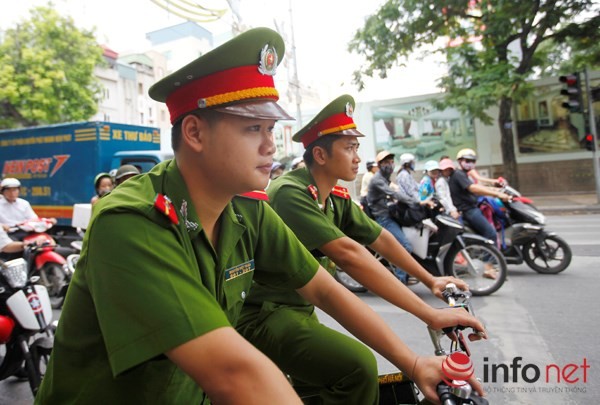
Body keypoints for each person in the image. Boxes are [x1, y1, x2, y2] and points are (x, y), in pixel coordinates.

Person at [35, 28, 484, 405]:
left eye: (271, 129)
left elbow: (325, 290)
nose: (271, 145)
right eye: (253, 128)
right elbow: (235, 372)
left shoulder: (246, 208)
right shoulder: (131, 221)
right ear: (194, 132)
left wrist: (414, 360)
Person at [238, 95, 486, 404]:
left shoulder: (334, 196)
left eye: (356, 147)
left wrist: (430, 280)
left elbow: (379, 238)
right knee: (356, 369)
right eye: (349, 148)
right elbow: (348, 254)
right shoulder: (290, 193)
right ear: (320, 154)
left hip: (298, 309)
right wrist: (427, 313)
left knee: (311, 390)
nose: (357, 157)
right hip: (265, 312)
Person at [367, 150, 413, 284]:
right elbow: (393, 193)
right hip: (383, 218)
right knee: (405, 247)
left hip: (388, 214)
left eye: (392, 162)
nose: (390, 165)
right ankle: (400, 281)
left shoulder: (385, 177)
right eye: (386, 162)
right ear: (380, 165)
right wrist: (415, 202)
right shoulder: (377, 179)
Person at [449, 148, 511, 245]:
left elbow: (478, 186)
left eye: (473, 161)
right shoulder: (458, 174)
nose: (470, 163)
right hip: (468, 210)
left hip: (473, 207)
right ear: (460, 161)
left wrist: (496, 189)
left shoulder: (465, 174)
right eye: (467, 161)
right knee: (491, 234)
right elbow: (473, 188)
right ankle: (491, 259)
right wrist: (498, 194)